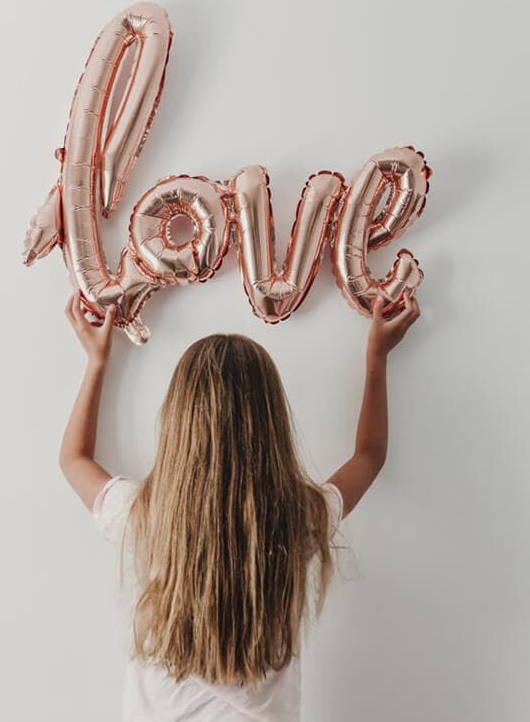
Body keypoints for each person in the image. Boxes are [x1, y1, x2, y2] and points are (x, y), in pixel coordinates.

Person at [60, 289, 420, 721]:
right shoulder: (296, 517)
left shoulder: (144, 516)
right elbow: (368, 457)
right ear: (271, 425)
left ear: (178, 422)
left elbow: (74, 459)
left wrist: (96, 361)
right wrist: (377, 357)